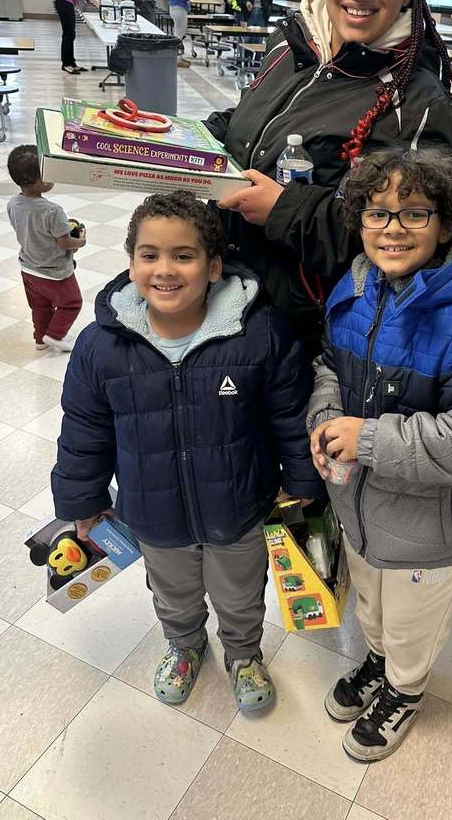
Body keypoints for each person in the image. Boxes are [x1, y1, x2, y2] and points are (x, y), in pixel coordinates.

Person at [51, 191, 323, 711]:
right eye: (149, 255)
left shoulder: (259, 334)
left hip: (241, 506)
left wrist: (302, 481)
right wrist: (81, 498)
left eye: (184, 255)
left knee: (241, 594)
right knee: (172, 593)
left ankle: (243, 654)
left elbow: (289, 416)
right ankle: (184, 646)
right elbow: (85, 429)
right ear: (130, 264)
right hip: (154, 512)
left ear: (214, 266)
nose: (165, 270)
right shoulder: (101, 347)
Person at [307, 148, 452, 762]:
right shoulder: (354, 288)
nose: (392, 229)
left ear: (447, 223)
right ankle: (378, 663)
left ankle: (404, 688)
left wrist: (366, 438)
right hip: (362, 506)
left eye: (414, 214)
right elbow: (329, 367)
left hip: (433, 526)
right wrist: (326, 420)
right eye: (377, 213)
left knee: (412, 624)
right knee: (371, 603)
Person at [212, 0, 452, 353]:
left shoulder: (418, 102)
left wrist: (282, 209)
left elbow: (400, 236)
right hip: (228, 289)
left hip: (302, 332)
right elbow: (249, 124)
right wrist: (180, 140)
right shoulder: (292, 47)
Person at [6, 145, 86, 353]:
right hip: (54, 271)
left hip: (28, 267)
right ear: (39, 179)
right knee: (72, 302)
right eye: (49, 171)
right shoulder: (53, 211)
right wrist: (81, 241)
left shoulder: (13, 203)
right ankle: (55, 335)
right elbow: (65, 243)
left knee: (40, 306)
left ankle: (40, 339)